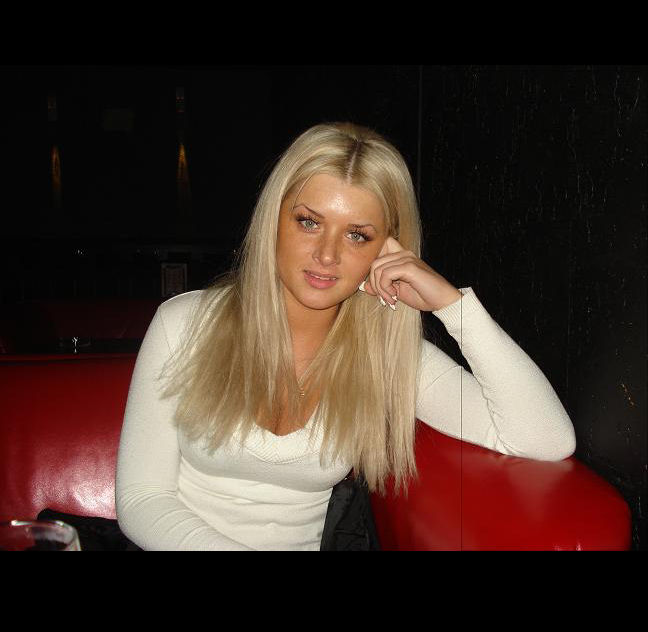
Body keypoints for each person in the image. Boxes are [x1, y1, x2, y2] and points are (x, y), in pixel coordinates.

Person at [115, 122, 576, 551]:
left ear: (387, 249)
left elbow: (544, 439)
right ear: (274, 220)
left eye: (357, 235)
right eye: (308, 222)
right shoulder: (184, 324)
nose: (327, 255)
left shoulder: (386, 356)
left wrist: (453, 307)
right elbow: (142, 499)